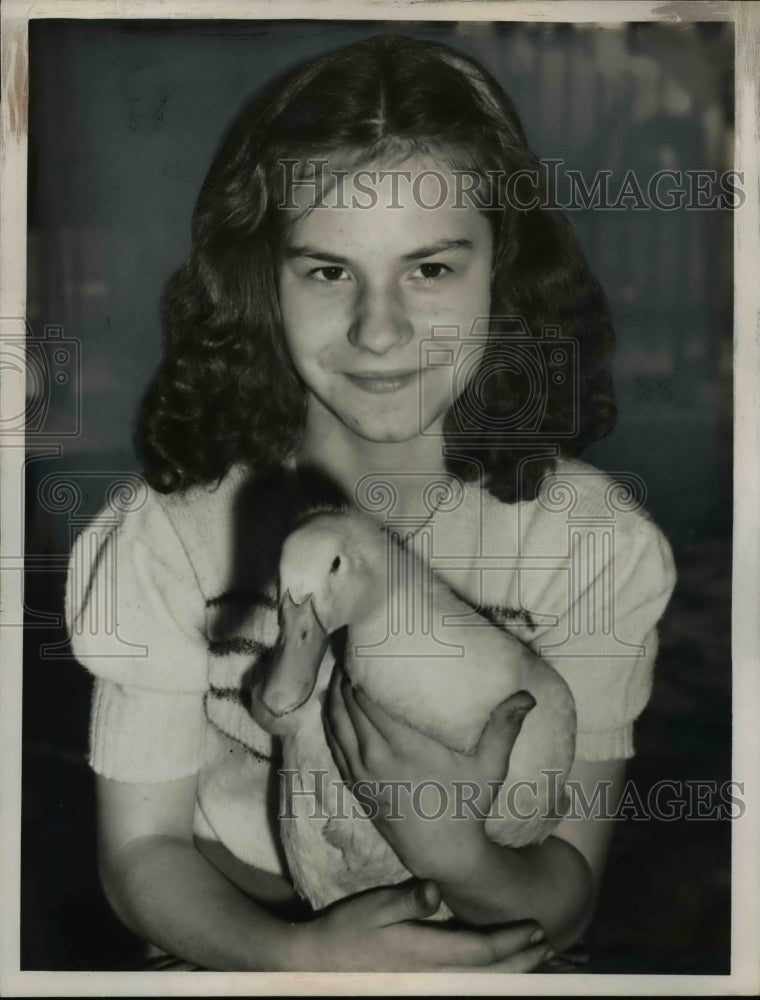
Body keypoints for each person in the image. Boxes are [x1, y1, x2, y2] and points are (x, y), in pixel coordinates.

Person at [66, 34, 676, 972]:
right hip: (239, 944)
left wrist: (458, 854)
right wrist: (296, 958)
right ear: (261, 279)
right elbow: (141, 854)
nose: (379, 330)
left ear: (503, 267)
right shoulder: (165, 538)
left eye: (431, 269)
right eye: (327, 270)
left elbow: (565, 899)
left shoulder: (596, 546)